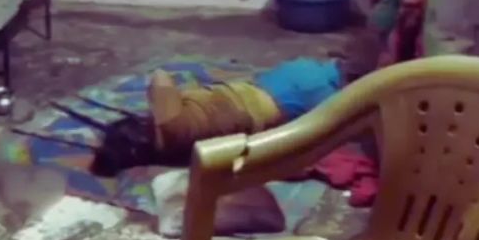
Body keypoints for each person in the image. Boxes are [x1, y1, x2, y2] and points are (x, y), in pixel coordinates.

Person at [147, 57, 346, 163]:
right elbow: (160, 77)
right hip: (246, 104)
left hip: (245, 98)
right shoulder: (321, 89)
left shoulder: (307, 70)